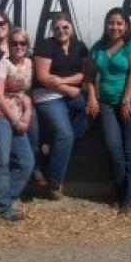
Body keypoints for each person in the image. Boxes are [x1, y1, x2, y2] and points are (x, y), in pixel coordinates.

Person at [87, 8, 131, 213]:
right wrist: (92, 97)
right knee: (113, 149)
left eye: (120, 23)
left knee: (130, 149)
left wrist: (126, 100)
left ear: (126, 25)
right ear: (106, 25)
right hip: (107, 104)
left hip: (128, 102)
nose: (115, 27)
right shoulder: (98, 47)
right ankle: (121, 192)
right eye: (111, 23)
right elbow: (90, 77)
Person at [33, 11, 92, 200]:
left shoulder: (79, 46)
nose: (61, 31)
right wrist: (69, 89)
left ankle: (54, 145)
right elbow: (43, 77)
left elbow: (85, 74)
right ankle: (54, 183)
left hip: (65, 90)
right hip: (47, 95)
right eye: (57, 28)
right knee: (65, 135)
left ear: (72, 28)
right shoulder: (46, 45)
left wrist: (63, 82)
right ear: (52, 30)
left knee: (91, 110)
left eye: (65, 27)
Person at [0, 26, 35, 220]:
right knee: (1, 162)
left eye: (23, 43)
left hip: (17, 115)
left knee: (26, 162)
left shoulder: (29, 64)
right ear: (9, 45)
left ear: (27, 46)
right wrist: (15, 120)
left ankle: (1, 200)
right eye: (14, 43)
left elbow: (26, 94)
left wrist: (27, 114)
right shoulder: (1, 65)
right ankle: (3, 209)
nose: (19, 46)